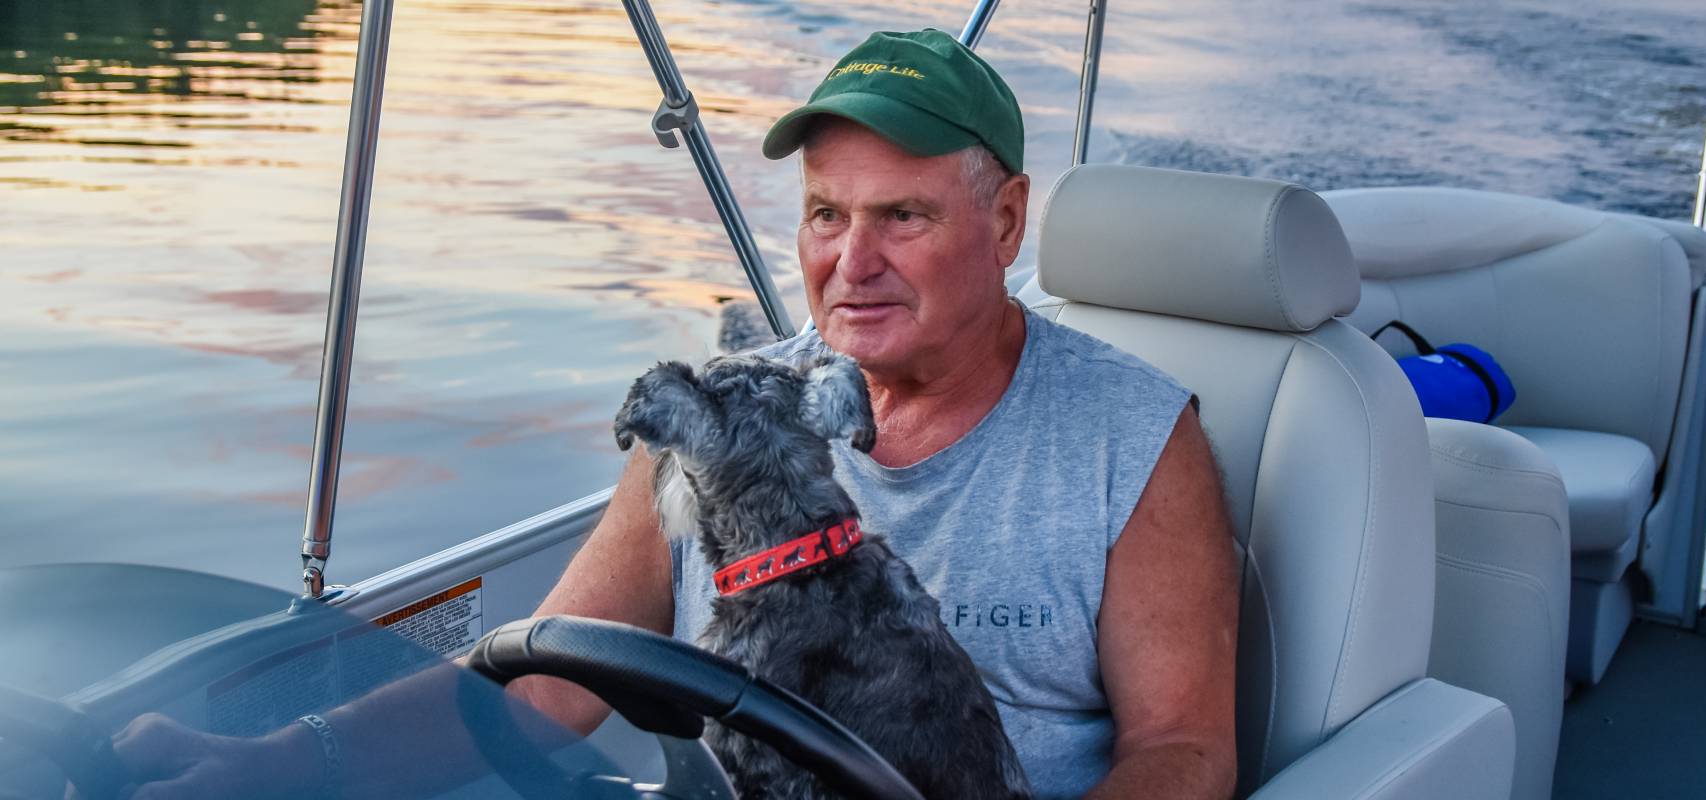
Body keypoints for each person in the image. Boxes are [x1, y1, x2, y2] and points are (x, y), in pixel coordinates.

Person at [110, 28, 1237, 800]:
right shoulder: (718, 423)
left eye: (903, 215)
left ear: (1006, 222)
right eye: (826, 215)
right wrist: (269, 764)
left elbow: (1185, 751)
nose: (851, 263)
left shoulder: (1130, 438)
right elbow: (544, 686)